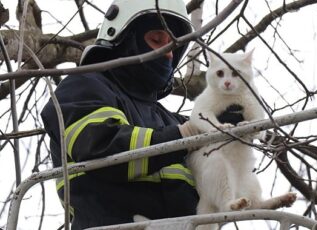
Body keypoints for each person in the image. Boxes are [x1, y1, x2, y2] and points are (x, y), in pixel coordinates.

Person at [41, 0, 243, 229]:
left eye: (172, 47)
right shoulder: (82, 88)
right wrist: (187, 135)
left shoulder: (168, 120)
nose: (167, 54)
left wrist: (230, 127)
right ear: (125, 39)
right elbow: (103, 150)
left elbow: (212, 184)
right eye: (157, 40)